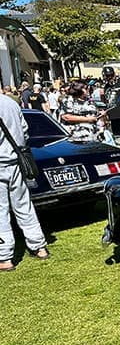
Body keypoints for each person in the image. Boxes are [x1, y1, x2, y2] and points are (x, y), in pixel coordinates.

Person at [0, 91, 49, 270]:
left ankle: (4, 257)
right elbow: (24, 132)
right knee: (24, 206)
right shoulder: (11, 103)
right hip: (16, 161)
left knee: (1, 212)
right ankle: (38, 246)